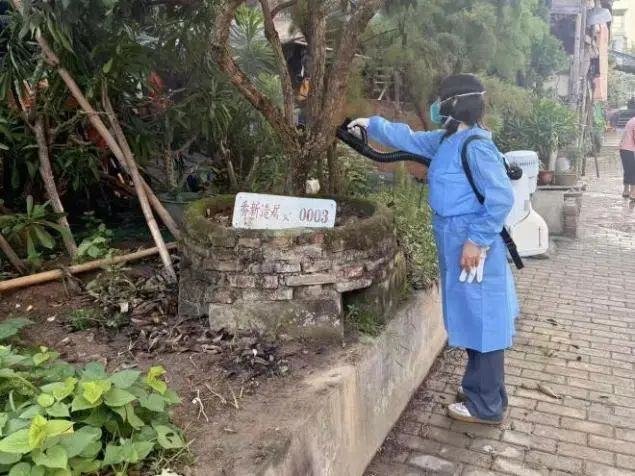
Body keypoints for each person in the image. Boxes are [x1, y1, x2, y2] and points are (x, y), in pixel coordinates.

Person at [349, 74, 518, 425]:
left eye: (441, 100)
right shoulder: (446, 140)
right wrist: (371, 124)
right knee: (471, 317)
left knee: (484, 318)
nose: (436, 106)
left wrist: (476, 241)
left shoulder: (476, 145)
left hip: (472, 242)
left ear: (455, 104)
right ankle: (482, 390)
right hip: (453, 237)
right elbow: (407, 139)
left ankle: (486, 406)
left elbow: (501, 198)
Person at [620, 115, 635, 200]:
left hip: (624, 148)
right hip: (630, 149)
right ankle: (633, 193)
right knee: (633, 171)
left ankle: (626, 191)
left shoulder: (631, 120)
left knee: (628, 170)